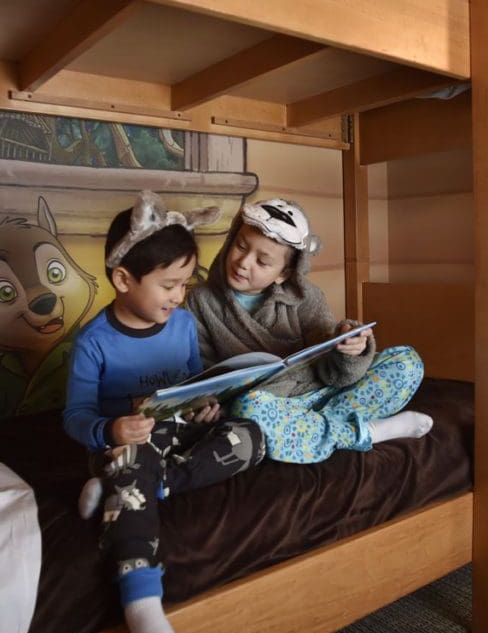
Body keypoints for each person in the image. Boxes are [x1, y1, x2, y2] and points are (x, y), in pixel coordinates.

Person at [63, 189, 264, 633]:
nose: (178, 296)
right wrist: (111, 429)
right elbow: (74, 417)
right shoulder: (93, 343)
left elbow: (193, 384)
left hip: (177, 434)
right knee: (131, 456)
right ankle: (143, 607)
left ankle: (130, 486)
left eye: (185, 284)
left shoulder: (183, 324)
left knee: (251, 436)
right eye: (168, 285)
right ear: (123, 280)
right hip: (128, 440)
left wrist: (205, 405)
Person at [184, 197, 432, 464]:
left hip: (323, 391)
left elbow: (336, 370)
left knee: (407, 362)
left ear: (284, 273)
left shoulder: (306, 296)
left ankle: (313, 428)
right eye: (240, 246)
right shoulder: (201, 301)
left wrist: (350, 348)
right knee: (249, 410)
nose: (244, 262)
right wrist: (208, 404)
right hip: (272, 405)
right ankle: (363, 432)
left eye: (263, 261)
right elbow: (205, 373)